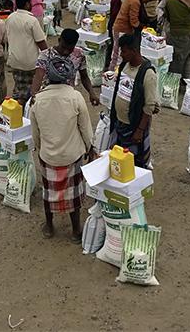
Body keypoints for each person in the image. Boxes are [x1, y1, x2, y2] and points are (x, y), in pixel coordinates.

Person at [29, 55, 94, 240]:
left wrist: (41, 150)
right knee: (73, 196)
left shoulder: (38, 100)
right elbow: (85, 128)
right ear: (69, 76)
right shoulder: (75, 97)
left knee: (49, 193)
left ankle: (49, 226)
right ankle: (75, 231)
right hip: (71, 155)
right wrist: (90, 147)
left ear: (48, 76)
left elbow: (36, 132)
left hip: (49, 155)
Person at [108, 32, 159, 168]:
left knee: (134, 164)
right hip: (120, 123)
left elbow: (149, 106)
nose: (121, 55)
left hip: (134, 126)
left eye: (124, 51)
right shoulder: (125, 65)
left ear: (134, 51)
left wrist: (140, 130)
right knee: (119, 162)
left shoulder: (147, 74)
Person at [31, 28, 99, 104]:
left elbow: (84, 76)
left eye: (70, 49)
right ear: (59, 40)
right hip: (48, 96)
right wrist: (34, 95)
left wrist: (92, 93)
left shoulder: (79, 55)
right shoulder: (46, 55)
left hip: (68, 97)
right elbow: (38, 76)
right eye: (63, 47)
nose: (65, 51)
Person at [6, 0, 48, 105]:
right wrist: (48, 56)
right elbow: (41, 42)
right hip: (29, 62)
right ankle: (24, 112)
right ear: (26, 4)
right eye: (30, 2)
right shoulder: (32, 20)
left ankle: (14, 109)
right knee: (30, 90)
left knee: (19, 87)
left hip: (14, 60)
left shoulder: (10, 18)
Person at [109, 0, 151, 70]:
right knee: (119, 56)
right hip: (122, 29)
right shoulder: (135, 1)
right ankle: (114, 76)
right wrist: (143, 26)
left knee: (116, 54)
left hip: (121, 28)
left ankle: (112, 74)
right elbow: (134, 22)